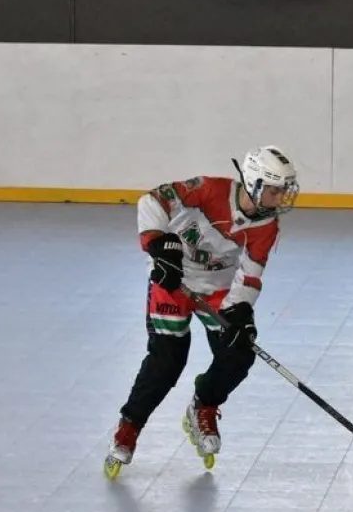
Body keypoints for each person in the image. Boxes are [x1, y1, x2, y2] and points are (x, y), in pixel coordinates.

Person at [104, 145, 300, 478]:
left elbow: (251, 274)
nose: (281, 197)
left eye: (285, 190)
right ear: (253, 184)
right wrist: (156, 243)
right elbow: (152, 200)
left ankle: (203, 405)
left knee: (239, 354)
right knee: (166, 363)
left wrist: (240, 310)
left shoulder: (268, 225)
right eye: (275, 189)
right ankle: (129, 428)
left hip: (218, 290)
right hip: (174, 282)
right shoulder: (210, 189)